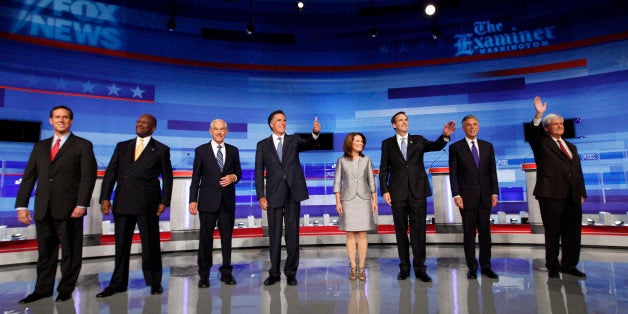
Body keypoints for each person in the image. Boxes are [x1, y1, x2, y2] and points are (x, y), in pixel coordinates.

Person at [15, 105, 97, 304]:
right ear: (51, 120)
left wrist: (82, 204)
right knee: (45, 253)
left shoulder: (82, 145)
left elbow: (88, 177)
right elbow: (29, 177)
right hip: (43, 209)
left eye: (66, 117)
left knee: (70, 252)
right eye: (57, 117)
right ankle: (42, 289)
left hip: (70, 209)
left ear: (71, 121)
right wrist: (22, 205)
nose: (61, 120)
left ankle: (65, 289)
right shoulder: (40, 146)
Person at [96, 114, 173, 297]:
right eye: (138, 121)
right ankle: (118, 284)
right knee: (121, 246)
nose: (140, 124)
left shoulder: (161, 149)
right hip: (123, 203)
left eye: (144, 122)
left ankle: (155, 282)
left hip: (148, 204)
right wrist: (105, 197)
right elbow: (111, 173)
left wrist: (164, 201)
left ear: (153, 128)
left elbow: (168, 178)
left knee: (150, 245)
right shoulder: (122, 146)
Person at [379, 111, 456, 282]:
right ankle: (404, 267)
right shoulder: (387, 144)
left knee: (419, 232)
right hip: (397, 194)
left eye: (406, 119)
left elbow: (435, 146)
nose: (404, 122)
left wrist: (444, 136)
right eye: (400, 120)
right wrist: (385, 190)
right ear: (394, 125)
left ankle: (420, 268)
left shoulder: (419, 140)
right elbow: (384, 169)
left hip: (418, 192)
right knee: (400, 232)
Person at [255, 110, 321, 286]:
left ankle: (291, 273)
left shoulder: (294, 140)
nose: (283, 123)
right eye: (279, 120)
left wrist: (314, 134)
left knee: (293, 235)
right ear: (271, 124)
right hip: (273, 195)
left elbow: (309, 144)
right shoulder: (262, 145)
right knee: (274, 236)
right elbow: (258, 173)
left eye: (284, 120)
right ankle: (274, 273)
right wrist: (261, 195)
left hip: (293, 193)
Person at [526, 96, 587, 279]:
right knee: (553, 232)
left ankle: (569, 265)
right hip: (551, 194)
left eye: (561, 123)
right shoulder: (541, 143)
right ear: (547, 128)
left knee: (573, 233)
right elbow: (532, 133)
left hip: (573, 195)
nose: (560, 126)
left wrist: (581, 192)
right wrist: (539, 113)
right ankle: (552, 265)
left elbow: (577, 170)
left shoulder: (571, 146)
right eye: (555, 124)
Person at [189, 119, 242, 288]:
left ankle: (226, 272)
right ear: (210, 131)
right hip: (207, 202)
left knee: (227, 239)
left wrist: (233, 177)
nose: (219, 132)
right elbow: (196, 178)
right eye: (216, 129)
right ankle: (204, 275)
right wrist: (192, 200)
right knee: (205, 239)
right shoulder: (201, 151)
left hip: (227, 203)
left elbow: (239, 173)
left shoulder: (233, 150)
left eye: (222, 129)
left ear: (226, 131)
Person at [448, 115, 499, 280]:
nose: (472, 127)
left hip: (485, 197)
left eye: (475, 124)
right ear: (464, 128)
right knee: (469, 235)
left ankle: (486, 267)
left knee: (485, 234)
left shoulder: (487, 146)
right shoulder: (455, 147)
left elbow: (492, 172)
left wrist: (494, 192)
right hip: (466, 198)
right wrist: (456, 194)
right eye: (468, 125)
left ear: (478, 127)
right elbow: (453, 174)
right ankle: (472, 267)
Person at [333, 133, 377, 281]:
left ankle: (362, 268)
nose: (360, 143)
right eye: (357, 141)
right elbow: (337, 183)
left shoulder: (367, 160)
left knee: (363, 234)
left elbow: (371, 182)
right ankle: (353, 267)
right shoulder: (341, 161)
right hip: (347, 200)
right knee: (350, 234)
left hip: (364, 200)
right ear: (350, 143)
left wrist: (374, 200)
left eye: (362, 141)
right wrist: (338, 201)